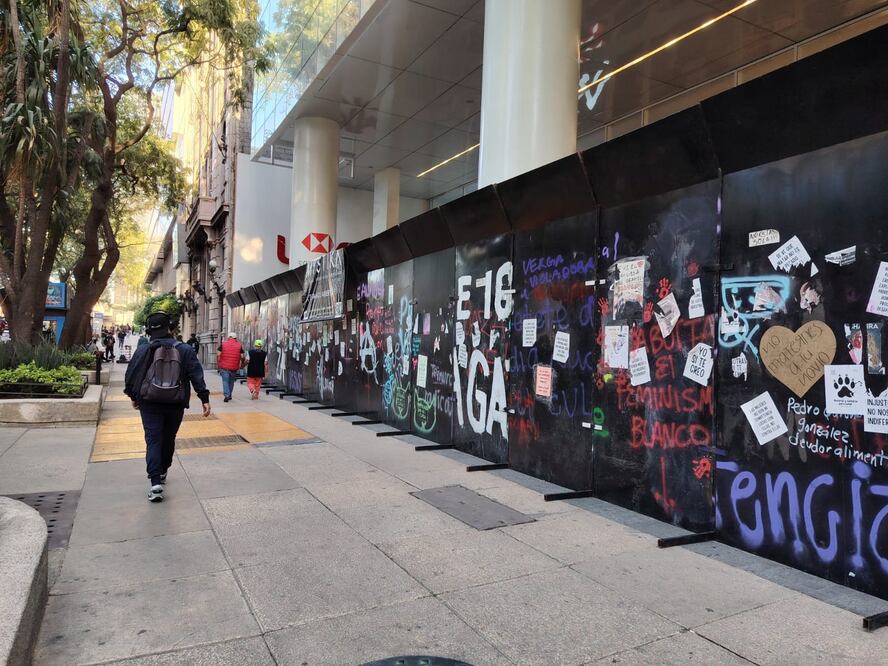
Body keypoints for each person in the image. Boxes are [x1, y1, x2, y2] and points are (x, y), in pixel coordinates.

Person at [124, 309, 210, 502]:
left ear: (148, 329)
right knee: (169, 437)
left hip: (149, 402)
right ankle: (163, 470)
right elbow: (196, 374)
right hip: (175, 402)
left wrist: (133, 396)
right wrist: (204, 399)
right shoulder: (185, 349)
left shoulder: (144, 349)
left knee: (153, 440)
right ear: (170, 327)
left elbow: (130, 375)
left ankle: (155, 483)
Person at [216, 332, 244, 403]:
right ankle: (229, 394)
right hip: (234, 367)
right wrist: (241, 363)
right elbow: (242, 356)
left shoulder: (223, 344)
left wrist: (218, 363)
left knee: (225, 381)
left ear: (229, 337)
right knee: (231, 381)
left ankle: (227, 395)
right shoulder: (239, 345)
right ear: (235, 338)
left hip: (224, 366)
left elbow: (218, 354)